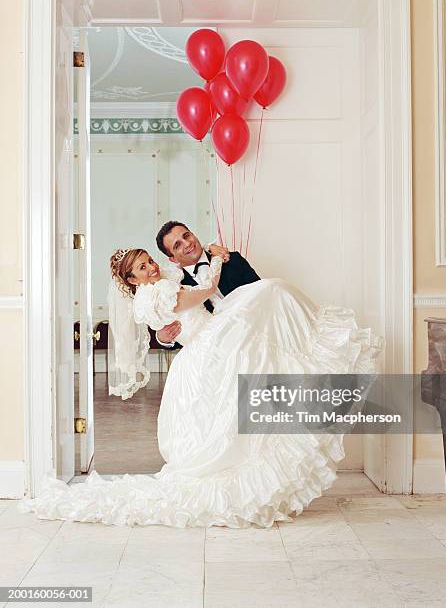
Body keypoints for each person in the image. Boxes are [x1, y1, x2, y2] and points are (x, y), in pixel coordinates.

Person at [18, 247, 383, 528]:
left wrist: (205, 268)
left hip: (205, 347)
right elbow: (202, 292)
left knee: (266, 321)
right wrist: (214, 262)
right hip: (205, 349)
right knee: (270, 294)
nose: (151, 267)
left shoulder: (156, 289)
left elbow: (175, 317)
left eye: (149, 261)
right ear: (131, 280)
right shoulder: (157, 293)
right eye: (142, 267)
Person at [154, 221, 260, 347]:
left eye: (186, 236)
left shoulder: (232, 259)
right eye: (178, 245)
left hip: (255, 329)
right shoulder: (176, 287)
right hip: (220, 349)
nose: (187, 243)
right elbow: (187, 330)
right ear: (173, 259)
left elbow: (261, 292)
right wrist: (163, 339)